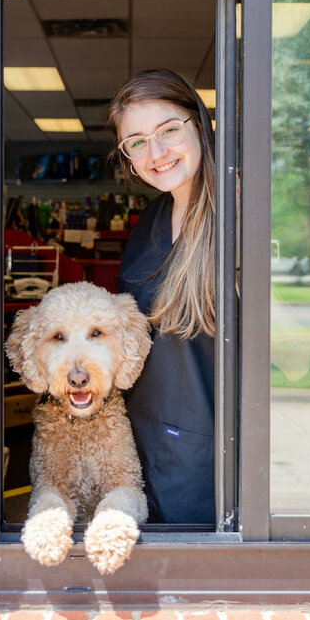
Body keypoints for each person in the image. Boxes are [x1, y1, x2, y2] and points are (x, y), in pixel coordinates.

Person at [107, 69, 216, 525]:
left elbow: (295, 353)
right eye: (136, 142)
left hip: (207, 457)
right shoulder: (150, 220)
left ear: (199, 125)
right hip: (139, 443)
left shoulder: (237, 220)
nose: (156, 153)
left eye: (169, 130)